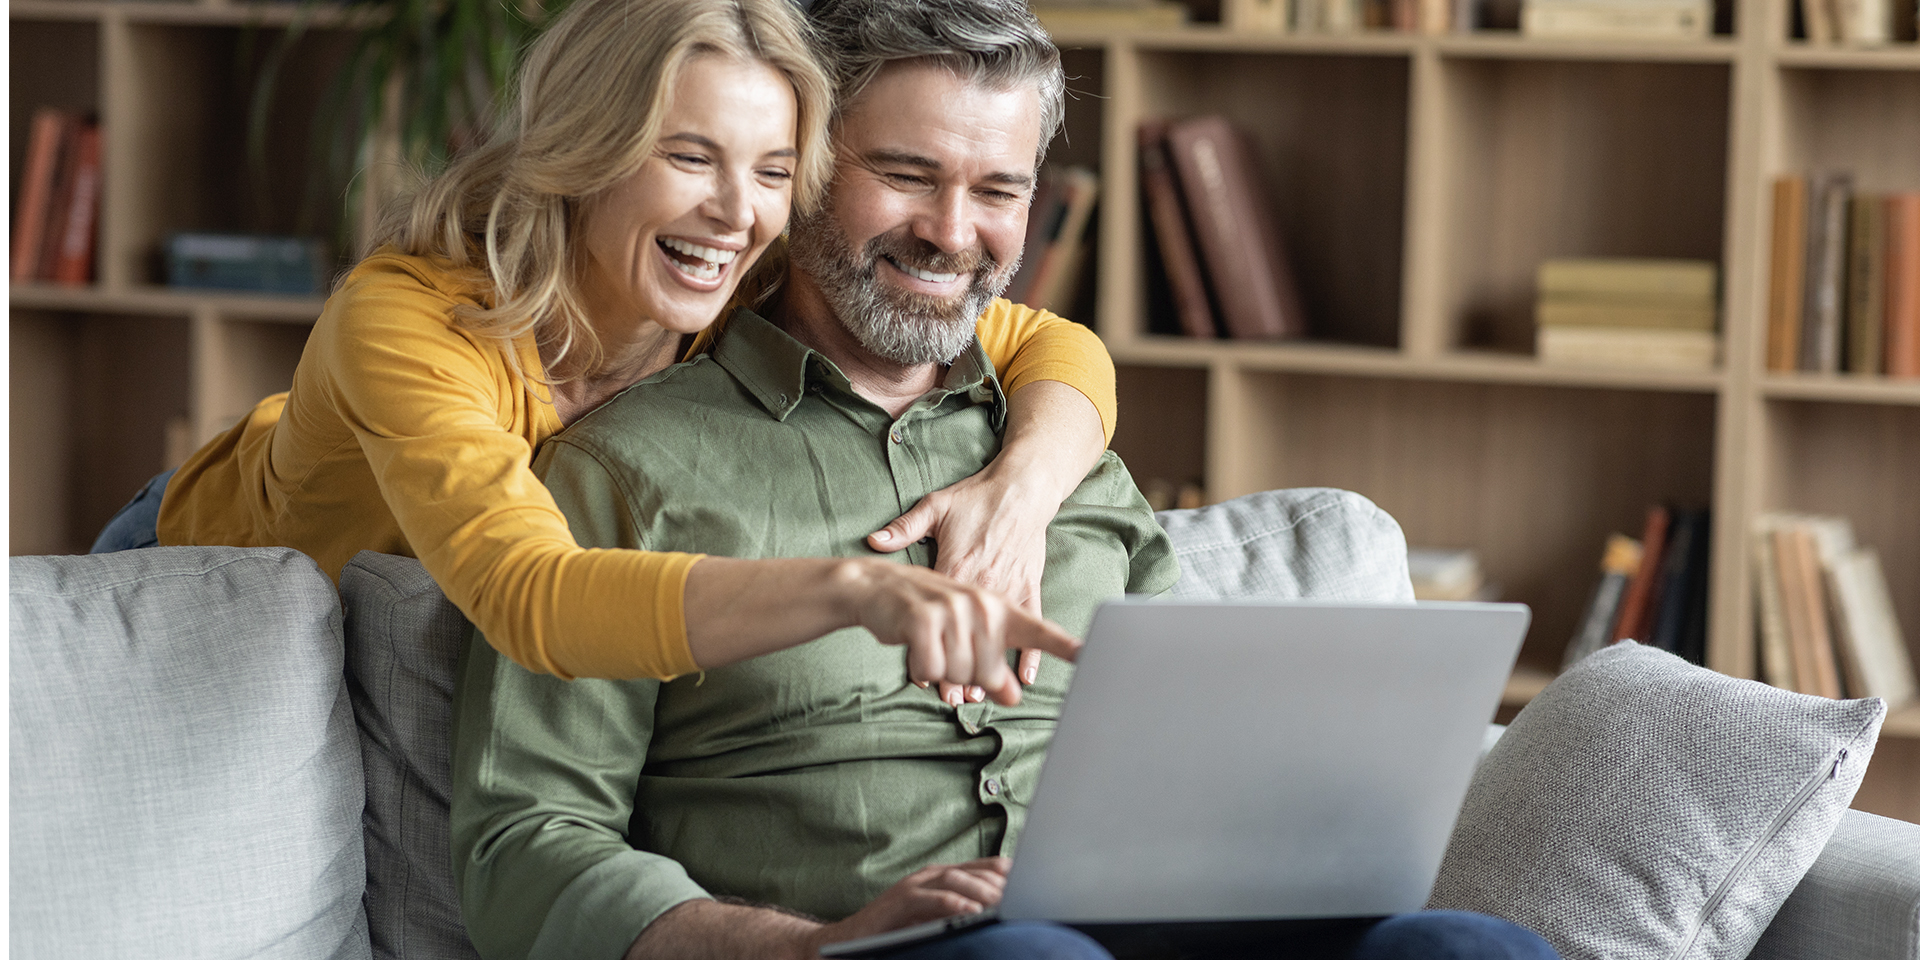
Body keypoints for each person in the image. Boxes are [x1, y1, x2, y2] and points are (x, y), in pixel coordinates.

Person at [451, 2, 1560, 959]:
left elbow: (1200, 757)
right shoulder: (622, 467)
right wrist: (810, 944)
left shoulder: (1067, 453)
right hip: (872, 947)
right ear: (806, 167)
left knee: (1473, 944)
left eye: (998, 190)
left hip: (1158, 931)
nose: (952, 233)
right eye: (905, 176)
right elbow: (525, 841)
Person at [110, 0, 1119, 695]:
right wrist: (856, 591)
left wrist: (1018, 496)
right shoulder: (406, 319)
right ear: (583, 149)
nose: (734, 212)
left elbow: (1054, 347)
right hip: (204, 576)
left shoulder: (733, 278)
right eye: (689, 156)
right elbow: (529, 596)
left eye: (772, 169)